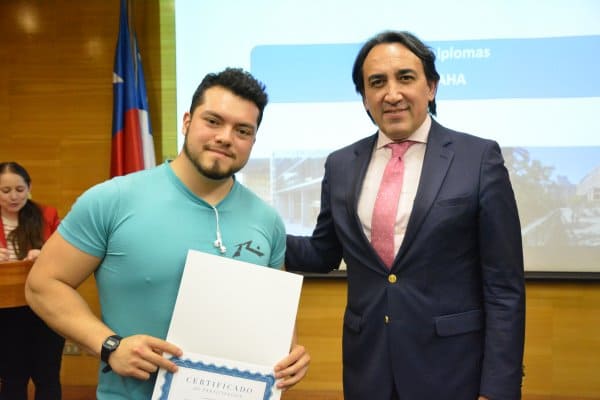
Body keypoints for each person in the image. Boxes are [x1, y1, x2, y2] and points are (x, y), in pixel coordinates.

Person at [25, 68, 310, 399]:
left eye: (242, 130)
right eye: (213, 121)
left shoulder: (267, 220)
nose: (225, 137)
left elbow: (274, 314)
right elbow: (42, 285)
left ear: (253, 141)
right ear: (187, 122)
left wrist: (291, 355)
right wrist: (109, 345)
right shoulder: (112, 200)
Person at [285, 31, 525, 400]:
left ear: (431, 87)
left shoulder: (478, 159)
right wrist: (258, 233)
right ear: (364, 97)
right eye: (377, 82)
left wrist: (497, 390)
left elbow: (504, 287)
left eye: (405, 78)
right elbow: (323, 252)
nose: (392, 94)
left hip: (453, 372)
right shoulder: (340, 165)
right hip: (369, 371)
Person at [0, 161, 65, 400]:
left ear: (29, 187)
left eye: (20, 189)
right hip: (5, 312)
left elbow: (68, 255)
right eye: (5, 191)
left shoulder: (47, 214)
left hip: (45, 308)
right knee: (12, 379)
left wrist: (45, 253)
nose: (14, 196)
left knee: (47, 378)